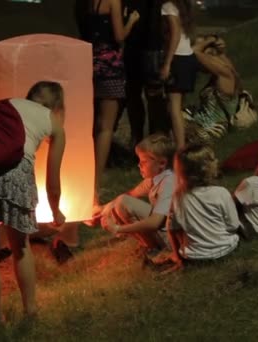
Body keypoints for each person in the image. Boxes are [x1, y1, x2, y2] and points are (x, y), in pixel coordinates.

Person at [0, 81, 67, 324]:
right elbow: (53, 181)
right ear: (57, 105)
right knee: (20, 248)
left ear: (28, 96)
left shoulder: (3, 106)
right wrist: (56, 211)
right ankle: (30, 312)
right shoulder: (53, 121)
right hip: (16, 175)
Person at [75, 0, 140, 208]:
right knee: (106, 128)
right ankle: (93, 186)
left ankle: (79, 174)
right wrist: (131, 21)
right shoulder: (113, 1)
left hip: (87, 62)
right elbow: (119, 36)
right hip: (110, 65)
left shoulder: (86, 3)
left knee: (90, 124)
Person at [164, 145, 241, 271]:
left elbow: (172, 229)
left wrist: (178, 257)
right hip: (226, 251)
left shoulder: (178, 196)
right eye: (213, 159)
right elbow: (233, 225)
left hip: (194, 258)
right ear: (206, 168)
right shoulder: (221, 193)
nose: (217, 161)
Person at [98, 133, 176, 257]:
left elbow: (155, 222)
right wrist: (102, 210)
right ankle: (151, 246)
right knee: (122, 203)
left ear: (162, 163)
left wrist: (118, 229)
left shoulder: (168, 183)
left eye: (143, 161)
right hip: (167, 229)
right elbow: (131, 194)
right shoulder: (155, 178)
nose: (139, 165)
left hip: (174, 239)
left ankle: (154, 247)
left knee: (122, 203)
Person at [118, 0, 167, 148]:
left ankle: (155, 141)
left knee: (153, 96)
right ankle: (137, 138)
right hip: (133, 47)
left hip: (152, 46)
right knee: (133, 94)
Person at [184, 35, 241, 144]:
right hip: (204, 125)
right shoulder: (225, 71)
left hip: (210, 131)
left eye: (203, 49)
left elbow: (193, 52)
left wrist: (211, 40)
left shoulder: (225, 73)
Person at [160, 0, 197, 150]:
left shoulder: (167, 6)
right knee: (178, 108)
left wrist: (167, 63)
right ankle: (179, 142)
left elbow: (174, 33)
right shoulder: (182, 6)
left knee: (174, 108)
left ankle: (180, 149)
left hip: (177, 58)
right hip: (188, 56)